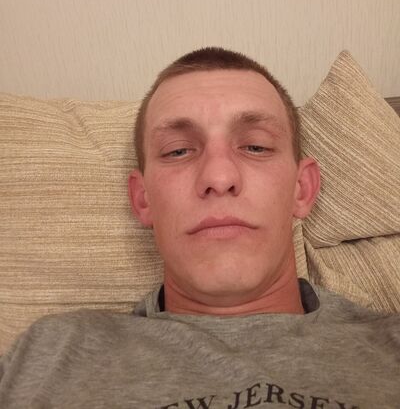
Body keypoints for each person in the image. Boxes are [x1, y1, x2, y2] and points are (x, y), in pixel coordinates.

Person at [0, 47, 398, 409]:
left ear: (302, 189)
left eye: (256, 146)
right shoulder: (50, 353)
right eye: (178, 151)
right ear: (143, 199)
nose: (219, 177)